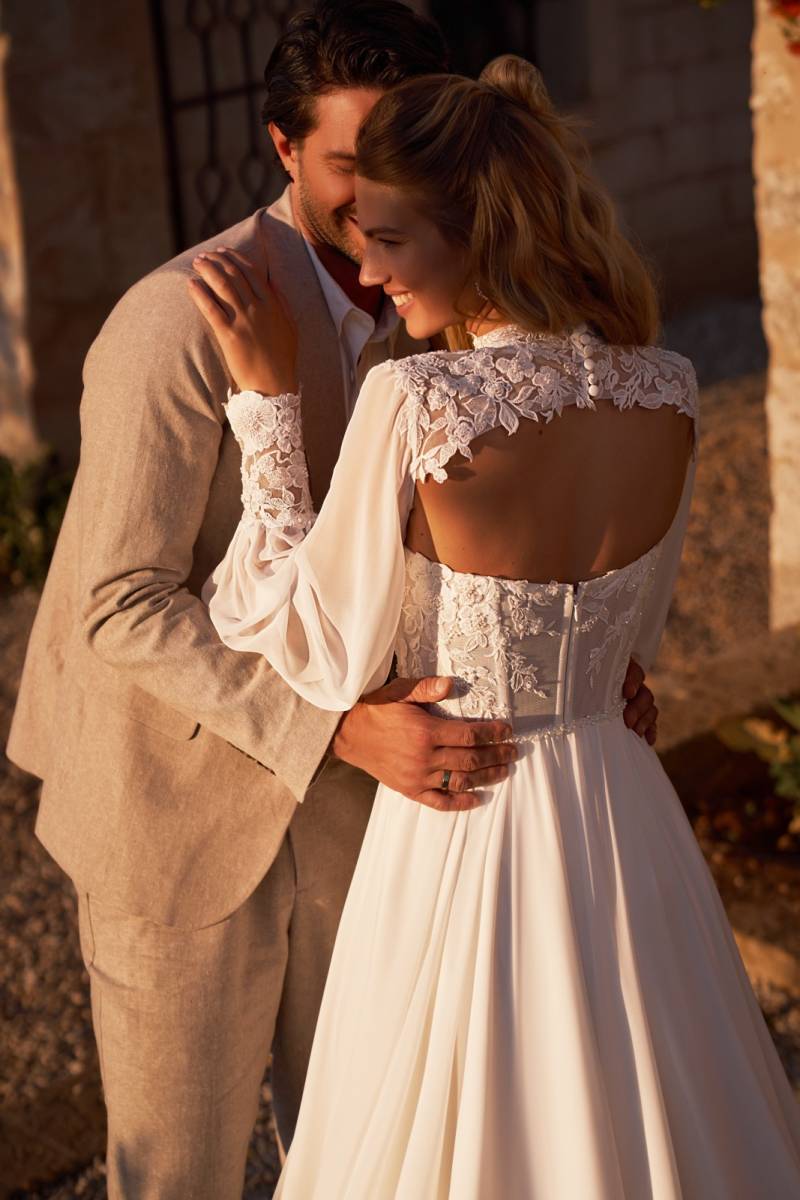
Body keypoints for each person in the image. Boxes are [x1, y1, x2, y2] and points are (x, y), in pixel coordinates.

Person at [6, 3, 657, 1196]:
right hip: (178, 818)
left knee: (361, 1154)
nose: (371, 209)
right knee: (180, 1178)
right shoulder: (179, 321)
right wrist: (340, 726)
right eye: (348, 166)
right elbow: (117, 600)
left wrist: (584, 650)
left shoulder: (453, 320)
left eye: (400, 165)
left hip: (373, 828)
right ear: (281, 150)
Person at [192, 57, 800, 1198]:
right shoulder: (666, 390)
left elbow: (312, 640)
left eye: (390, 239)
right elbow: (635, 645)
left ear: (481, 231)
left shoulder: (417, 402)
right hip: (623, 814)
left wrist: (264, 405)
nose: (368, 272)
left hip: (464, 822)